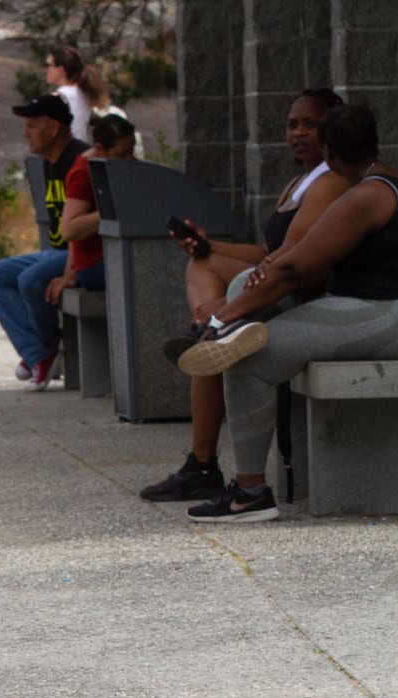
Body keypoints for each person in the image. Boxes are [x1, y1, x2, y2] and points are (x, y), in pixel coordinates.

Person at [174, 103, 398, 522]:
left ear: (330, 153)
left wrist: (221, 319)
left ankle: (249, 494)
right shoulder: (395, 184)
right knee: (247, 328)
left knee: (250, 358)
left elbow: (291, 268)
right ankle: (223, 335)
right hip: (384, 310)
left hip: (391, 316)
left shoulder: (364, 196)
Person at [140, 89, 347, 500]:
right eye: (292, 124)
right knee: (202, 264)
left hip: (308, 291)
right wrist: (210, 245)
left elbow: (291, 261)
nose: (299, 133)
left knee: (222, 317)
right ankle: (207, 328)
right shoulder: (299, 183)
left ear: (333, 130)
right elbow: (268, 254)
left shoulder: (331, 182)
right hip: (278, 278)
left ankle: (210, 334)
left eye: (311, 124)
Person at [0, 94, 87, 390]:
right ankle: (39, 353)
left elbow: (91, 226)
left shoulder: (79, 161)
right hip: (56, 251)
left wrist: (71, 270)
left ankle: (45, 352)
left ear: (53, 129)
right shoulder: (50, 162)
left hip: (78, 254)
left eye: (31, 126)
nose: (25, 134)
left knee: (30, 280)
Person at [45, 113, 138, 305]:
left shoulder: (118, 166)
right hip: (94, 264)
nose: (129, 159)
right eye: (121, 155)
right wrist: (111, 209)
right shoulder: (83, 172)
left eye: (131, 151)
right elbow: (69, 229)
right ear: (99, 149)